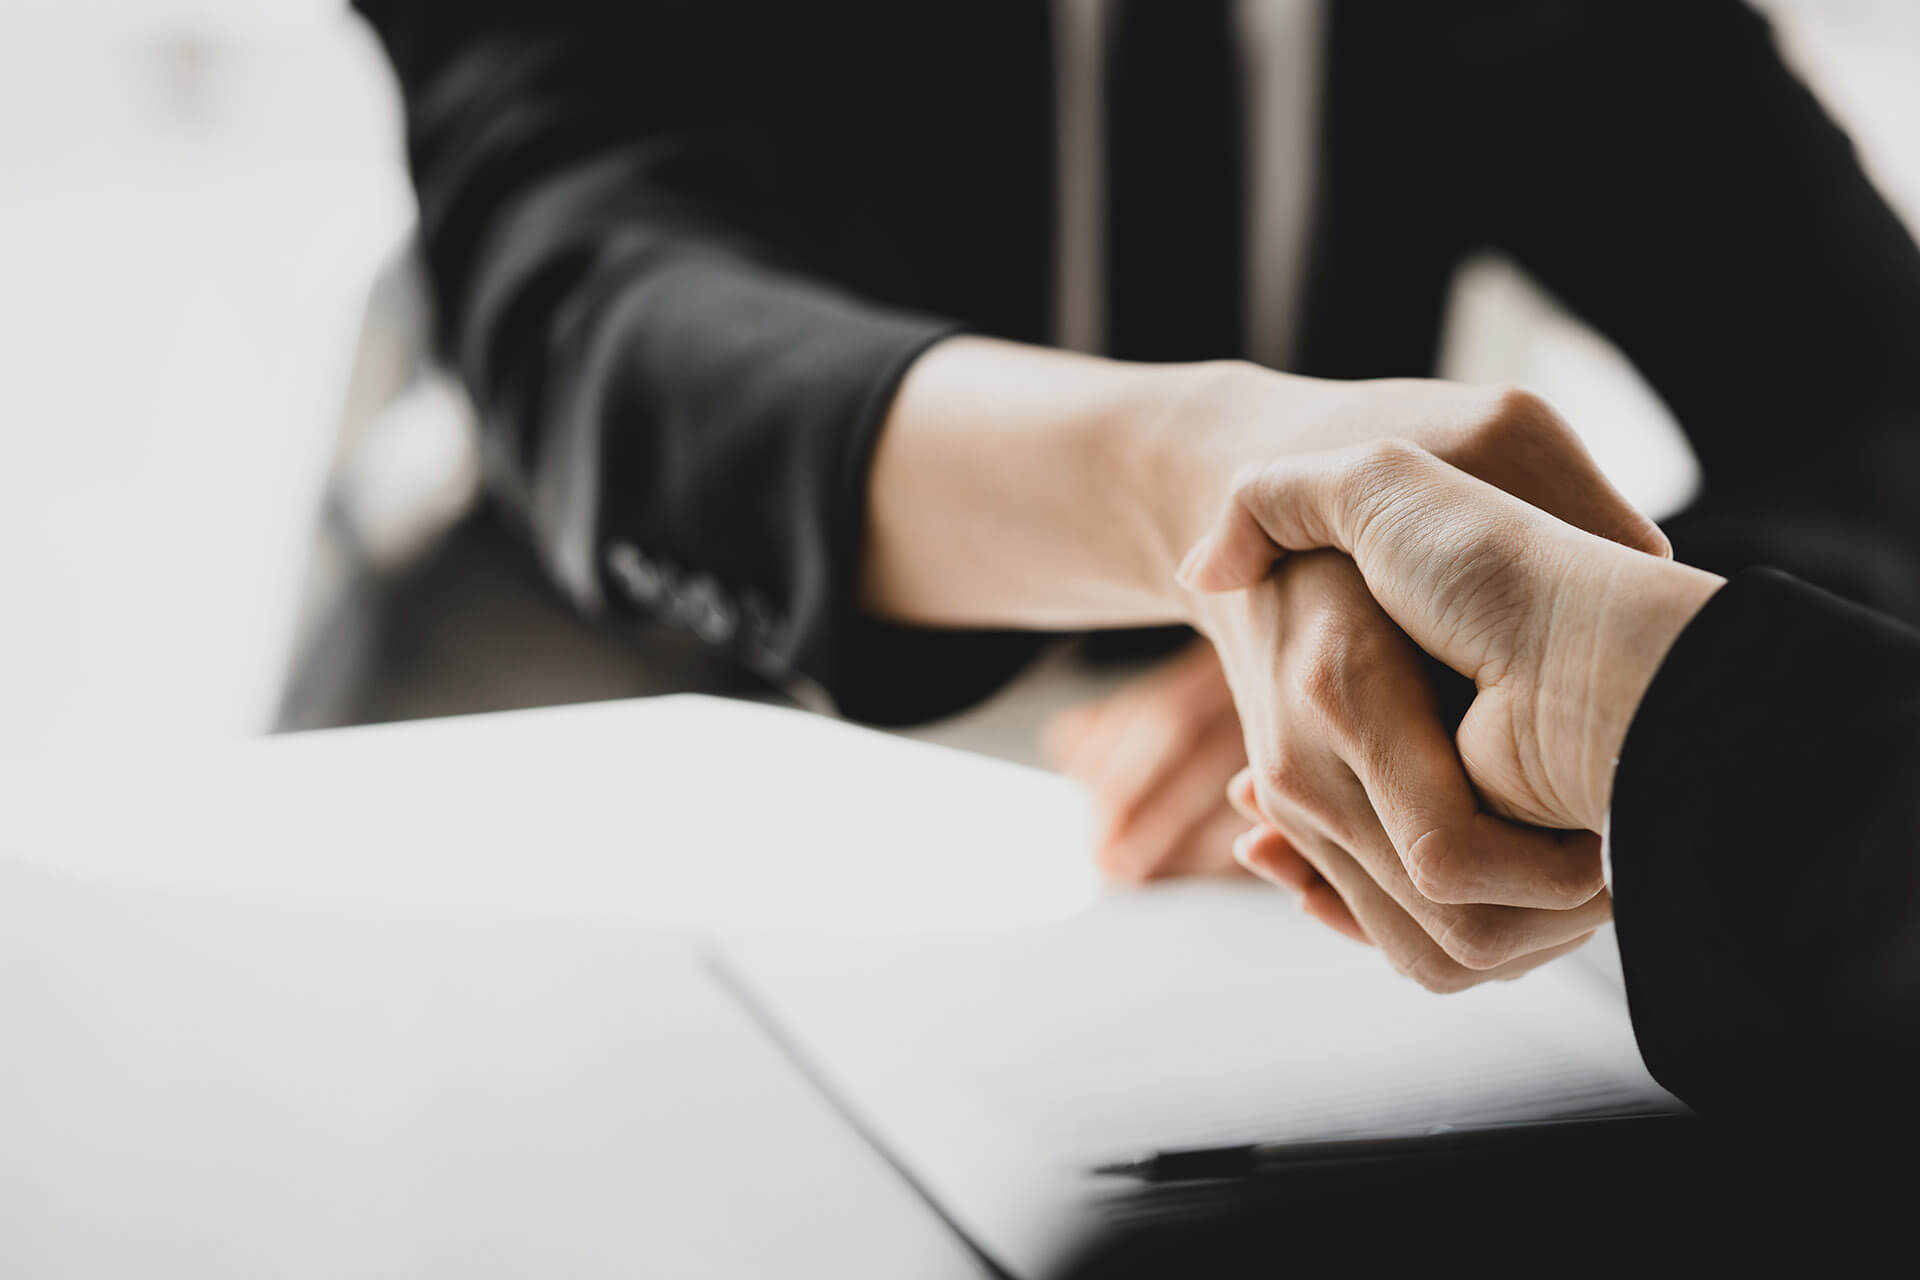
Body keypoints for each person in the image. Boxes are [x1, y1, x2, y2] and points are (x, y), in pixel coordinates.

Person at [352, 1, 1920, 963]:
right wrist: (1206, 491)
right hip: (576, 692)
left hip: (1228, 862)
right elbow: (608, 321)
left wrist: (1519, 643)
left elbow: (1877, 402)